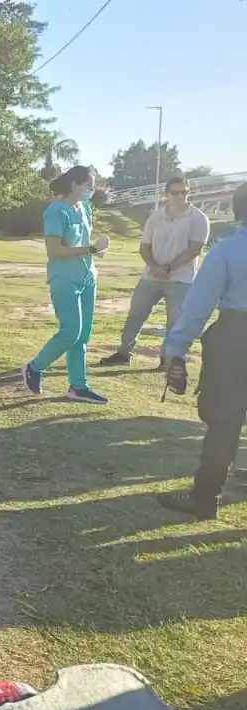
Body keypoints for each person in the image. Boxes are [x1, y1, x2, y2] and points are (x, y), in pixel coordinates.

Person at [154, 183, 247, 520]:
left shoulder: (228, 250)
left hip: (237, 335)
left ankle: (206, 497)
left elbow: (199, 305)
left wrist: (176, 347)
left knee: (224, 420)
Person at [99, 177, 209, 369]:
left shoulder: (198, 218)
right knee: (136, 314)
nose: (181, 196)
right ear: (166, 194)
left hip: (181, 280)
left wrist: (168, 268)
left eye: (185, 192)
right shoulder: (156, 217)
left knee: (174, 321)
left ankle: (166, 359)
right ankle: (124, 352)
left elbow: (195, 249)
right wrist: (155, 266)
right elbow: (144, 247)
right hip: (151, 276)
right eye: (176, 192)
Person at [22, 166, 111, 404]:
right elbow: (55, 250)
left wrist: (95, 251)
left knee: (82, 335)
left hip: (87, 276)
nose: (92, 190)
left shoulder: (84, 209)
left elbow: (82, 242)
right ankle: (35, 367)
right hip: (64, 278)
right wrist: (91, 248)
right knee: (70, 331)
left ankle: (78, 386)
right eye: (89, 185)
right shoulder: (56, 211)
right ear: (75, 184)